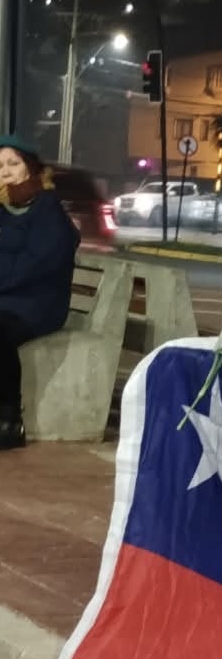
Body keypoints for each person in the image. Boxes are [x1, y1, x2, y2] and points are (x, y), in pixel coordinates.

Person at [0, 136, 81, 449]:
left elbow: (34, 266)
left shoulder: (47, 209)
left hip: (38, 303)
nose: (5, 171)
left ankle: (9, 420)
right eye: (0, 166)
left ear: (29, 167)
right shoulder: (3, 209)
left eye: (13, 163)